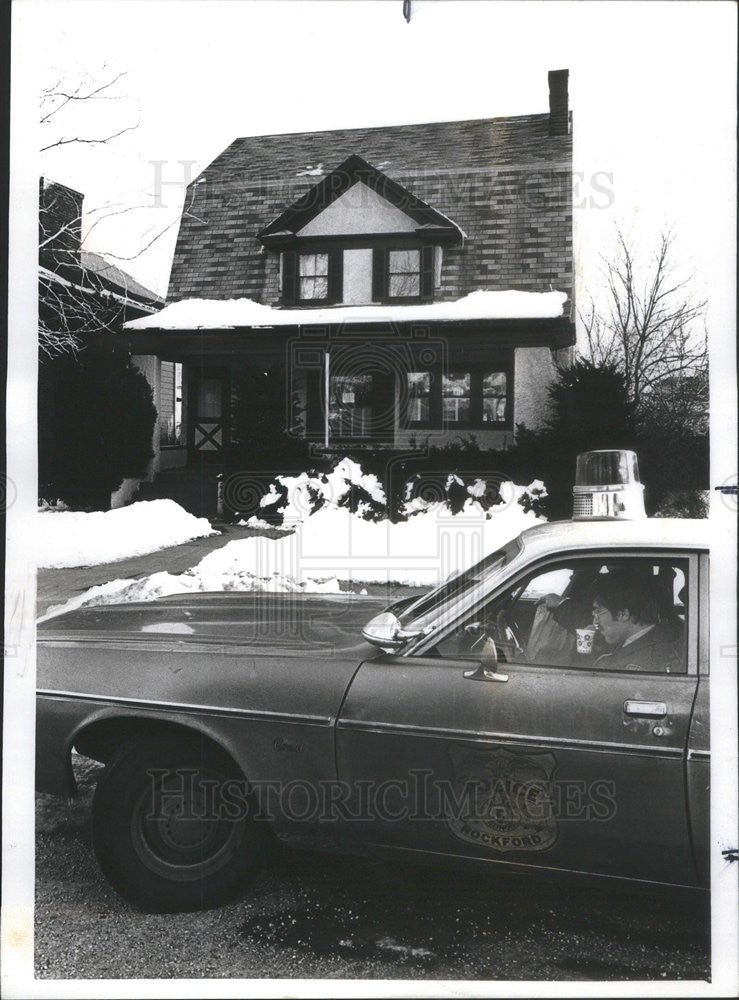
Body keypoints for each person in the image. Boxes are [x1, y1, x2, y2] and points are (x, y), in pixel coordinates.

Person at [588, 572, 684, 673]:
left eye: (598, 611)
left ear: (623, 614)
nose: (595, 621)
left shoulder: (637, 663)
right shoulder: (669, 636)